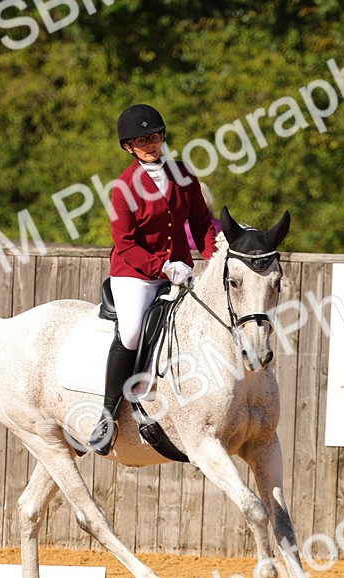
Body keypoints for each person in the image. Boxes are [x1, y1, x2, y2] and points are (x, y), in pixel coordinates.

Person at [88, 103, 218, 454]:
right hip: (135, 274)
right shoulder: (123, 188)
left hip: (180, 270)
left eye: (155, 137)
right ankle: (108, 416)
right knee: (131, 331)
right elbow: (126, 244)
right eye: (141, 141)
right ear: (128, 147)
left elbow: (201, 222)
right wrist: (164, 267)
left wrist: (214, 256)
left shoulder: (183, 174)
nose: (150, 145)